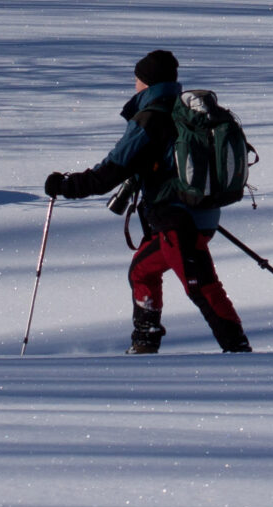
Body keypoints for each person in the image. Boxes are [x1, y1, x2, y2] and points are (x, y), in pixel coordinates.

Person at [44, 49, 252, 354]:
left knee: (201, 286)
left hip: (178, 221)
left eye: (137, 80)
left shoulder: (150, 118)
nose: (135, 85)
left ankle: (238, 349)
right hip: (198, 216)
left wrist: (64, 185)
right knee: (142, 270)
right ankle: (144, 342)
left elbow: (109, 173)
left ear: (146, 82)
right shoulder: (179, 112)